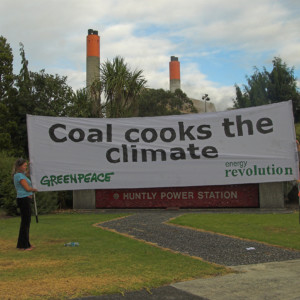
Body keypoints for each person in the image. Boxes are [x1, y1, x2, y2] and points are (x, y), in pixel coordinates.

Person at [13, 158, 38, 251]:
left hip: (25, 200)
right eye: (24, 165)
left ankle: (26, 243)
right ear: (19, 167)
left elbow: (27, 174)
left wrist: (31, 167)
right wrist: (35, 189)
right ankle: (23, 245)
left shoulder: (21, 174)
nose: (25, 167)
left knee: (26, 222)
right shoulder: (19, 176)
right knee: (25, 222)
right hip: (23, 200)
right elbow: (27, 188)